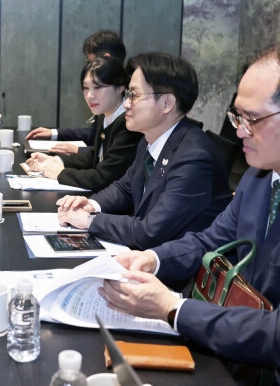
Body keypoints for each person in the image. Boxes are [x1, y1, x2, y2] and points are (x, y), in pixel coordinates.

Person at [98, 45, 280, 384]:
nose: (239, 131)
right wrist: (152, 259)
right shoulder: (257, 180)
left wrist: (174, 307)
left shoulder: (207, 157)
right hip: (234, 349)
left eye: (252, 120)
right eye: (237, 117)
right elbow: (210, 240)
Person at [56, 53, 232, 249]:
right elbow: (125, 188)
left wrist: (90, 221)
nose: (126, 103)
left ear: (167, 103)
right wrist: (91, 204)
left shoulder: (194, 158)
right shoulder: (150, 140)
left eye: (134, 95)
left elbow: (150, 231)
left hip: (178, 263)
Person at [26, 57, 142, 191]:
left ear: (120, 88)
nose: (90, 95)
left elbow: (103, 178)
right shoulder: (104, 114)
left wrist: (60, 173)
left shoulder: (128, 123)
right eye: (86, 88)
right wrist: (56, 160)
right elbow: (95, 156)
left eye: (97, 87)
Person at [26, 30, 127, 154]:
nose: (90, 95)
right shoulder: (106, 106)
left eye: (90, 62)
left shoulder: (126, 115)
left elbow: (107, 157)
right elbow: (94, 137)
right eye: (86, 88)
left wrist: (76, 152)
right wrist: (54, 133)